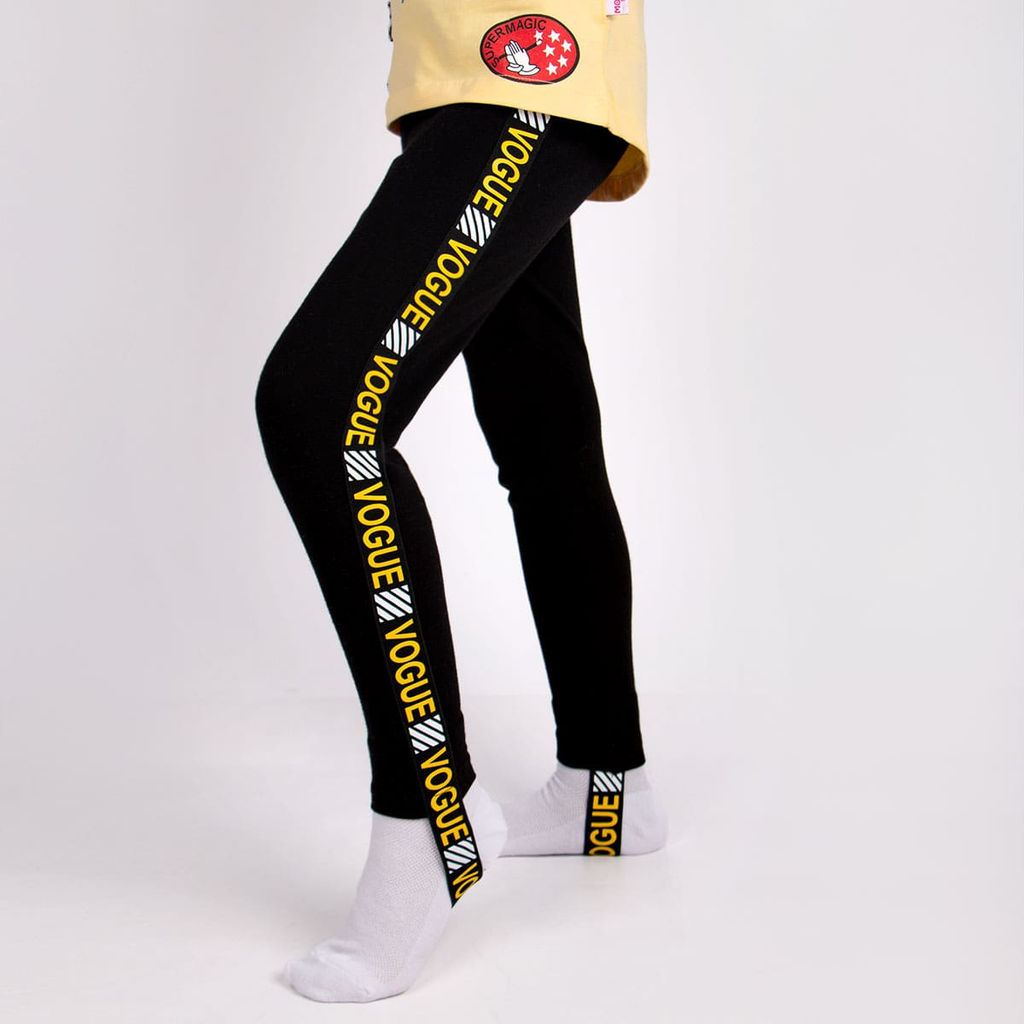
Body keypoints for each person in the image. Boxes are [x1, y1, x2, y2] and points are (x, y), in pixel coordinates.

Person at [255, 0, 668, 1003]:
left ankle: (431, 816)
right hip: (467, 69)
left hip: (523, 57)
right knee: (543, 432)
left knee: (322, 409)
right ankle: (605, 785)